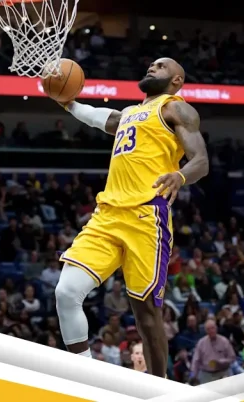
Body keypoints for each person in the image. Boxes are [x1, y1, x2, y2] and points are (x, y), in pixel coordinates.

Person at [53, 57, 209, 379]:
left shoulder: (176, 109)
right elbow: (101, 118)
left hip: (145, 216)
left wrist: (180, 176)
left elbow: (201, 161)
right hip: (107, 216)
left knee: (146, 316)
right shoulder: (129, 113)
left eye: (161, 66)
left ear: (177, 80)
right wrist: (69, 103)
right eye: (151, 64)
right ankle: (85, 376)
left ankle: (158, 387)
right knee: (66, 293)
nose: (152, 67)